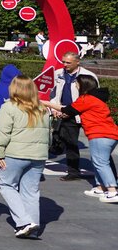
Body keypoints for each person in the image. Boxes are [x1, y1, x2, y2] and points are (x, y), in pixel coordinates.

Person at [0, 76, 52, 238]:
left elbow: (2, 133)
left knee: (5, 184)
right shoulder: (42, 109)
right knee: (31, 191)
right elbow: (49, 135)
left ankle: (25, 222)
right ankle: (32, 227)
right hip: (38, 155)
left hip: (16, 153)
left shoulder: (9, 107)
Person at [47, 74, 118, 203]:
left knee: (101, 162)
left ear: (83, 85)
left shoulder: (86, 99)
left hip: (100, 134)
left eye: (77, 83)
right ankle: (100, 187)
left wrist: (45, 103)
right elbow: (73, 111)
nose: (75, 85)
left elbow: (67, 109)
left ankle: (112, 191)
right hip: (108, 133)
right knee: (98, 161)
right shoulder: (96, 99)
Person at [51, 52, 96, 181]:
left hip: (83, 113)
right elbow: (53, 93)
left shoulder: (88, 76)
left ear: (78, 62)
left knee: (96, 144)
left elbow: (92, 97)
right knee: (70, 143)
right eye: (63, 62)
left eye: (68, 62)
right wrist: (54, 107)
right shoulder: (58, 73)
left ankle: (105, 171)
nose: (64, 65)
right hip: (64, 112)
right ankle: (73, 172)